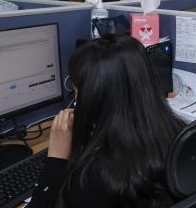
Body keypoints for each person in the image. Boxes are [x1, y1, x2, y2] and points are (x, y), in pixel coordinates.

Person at [27, 35, 185, 207]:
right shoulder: (177, 132)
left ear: (93, 94)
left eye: (77, 86)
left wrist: (56, 158)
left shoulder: (94, 177)